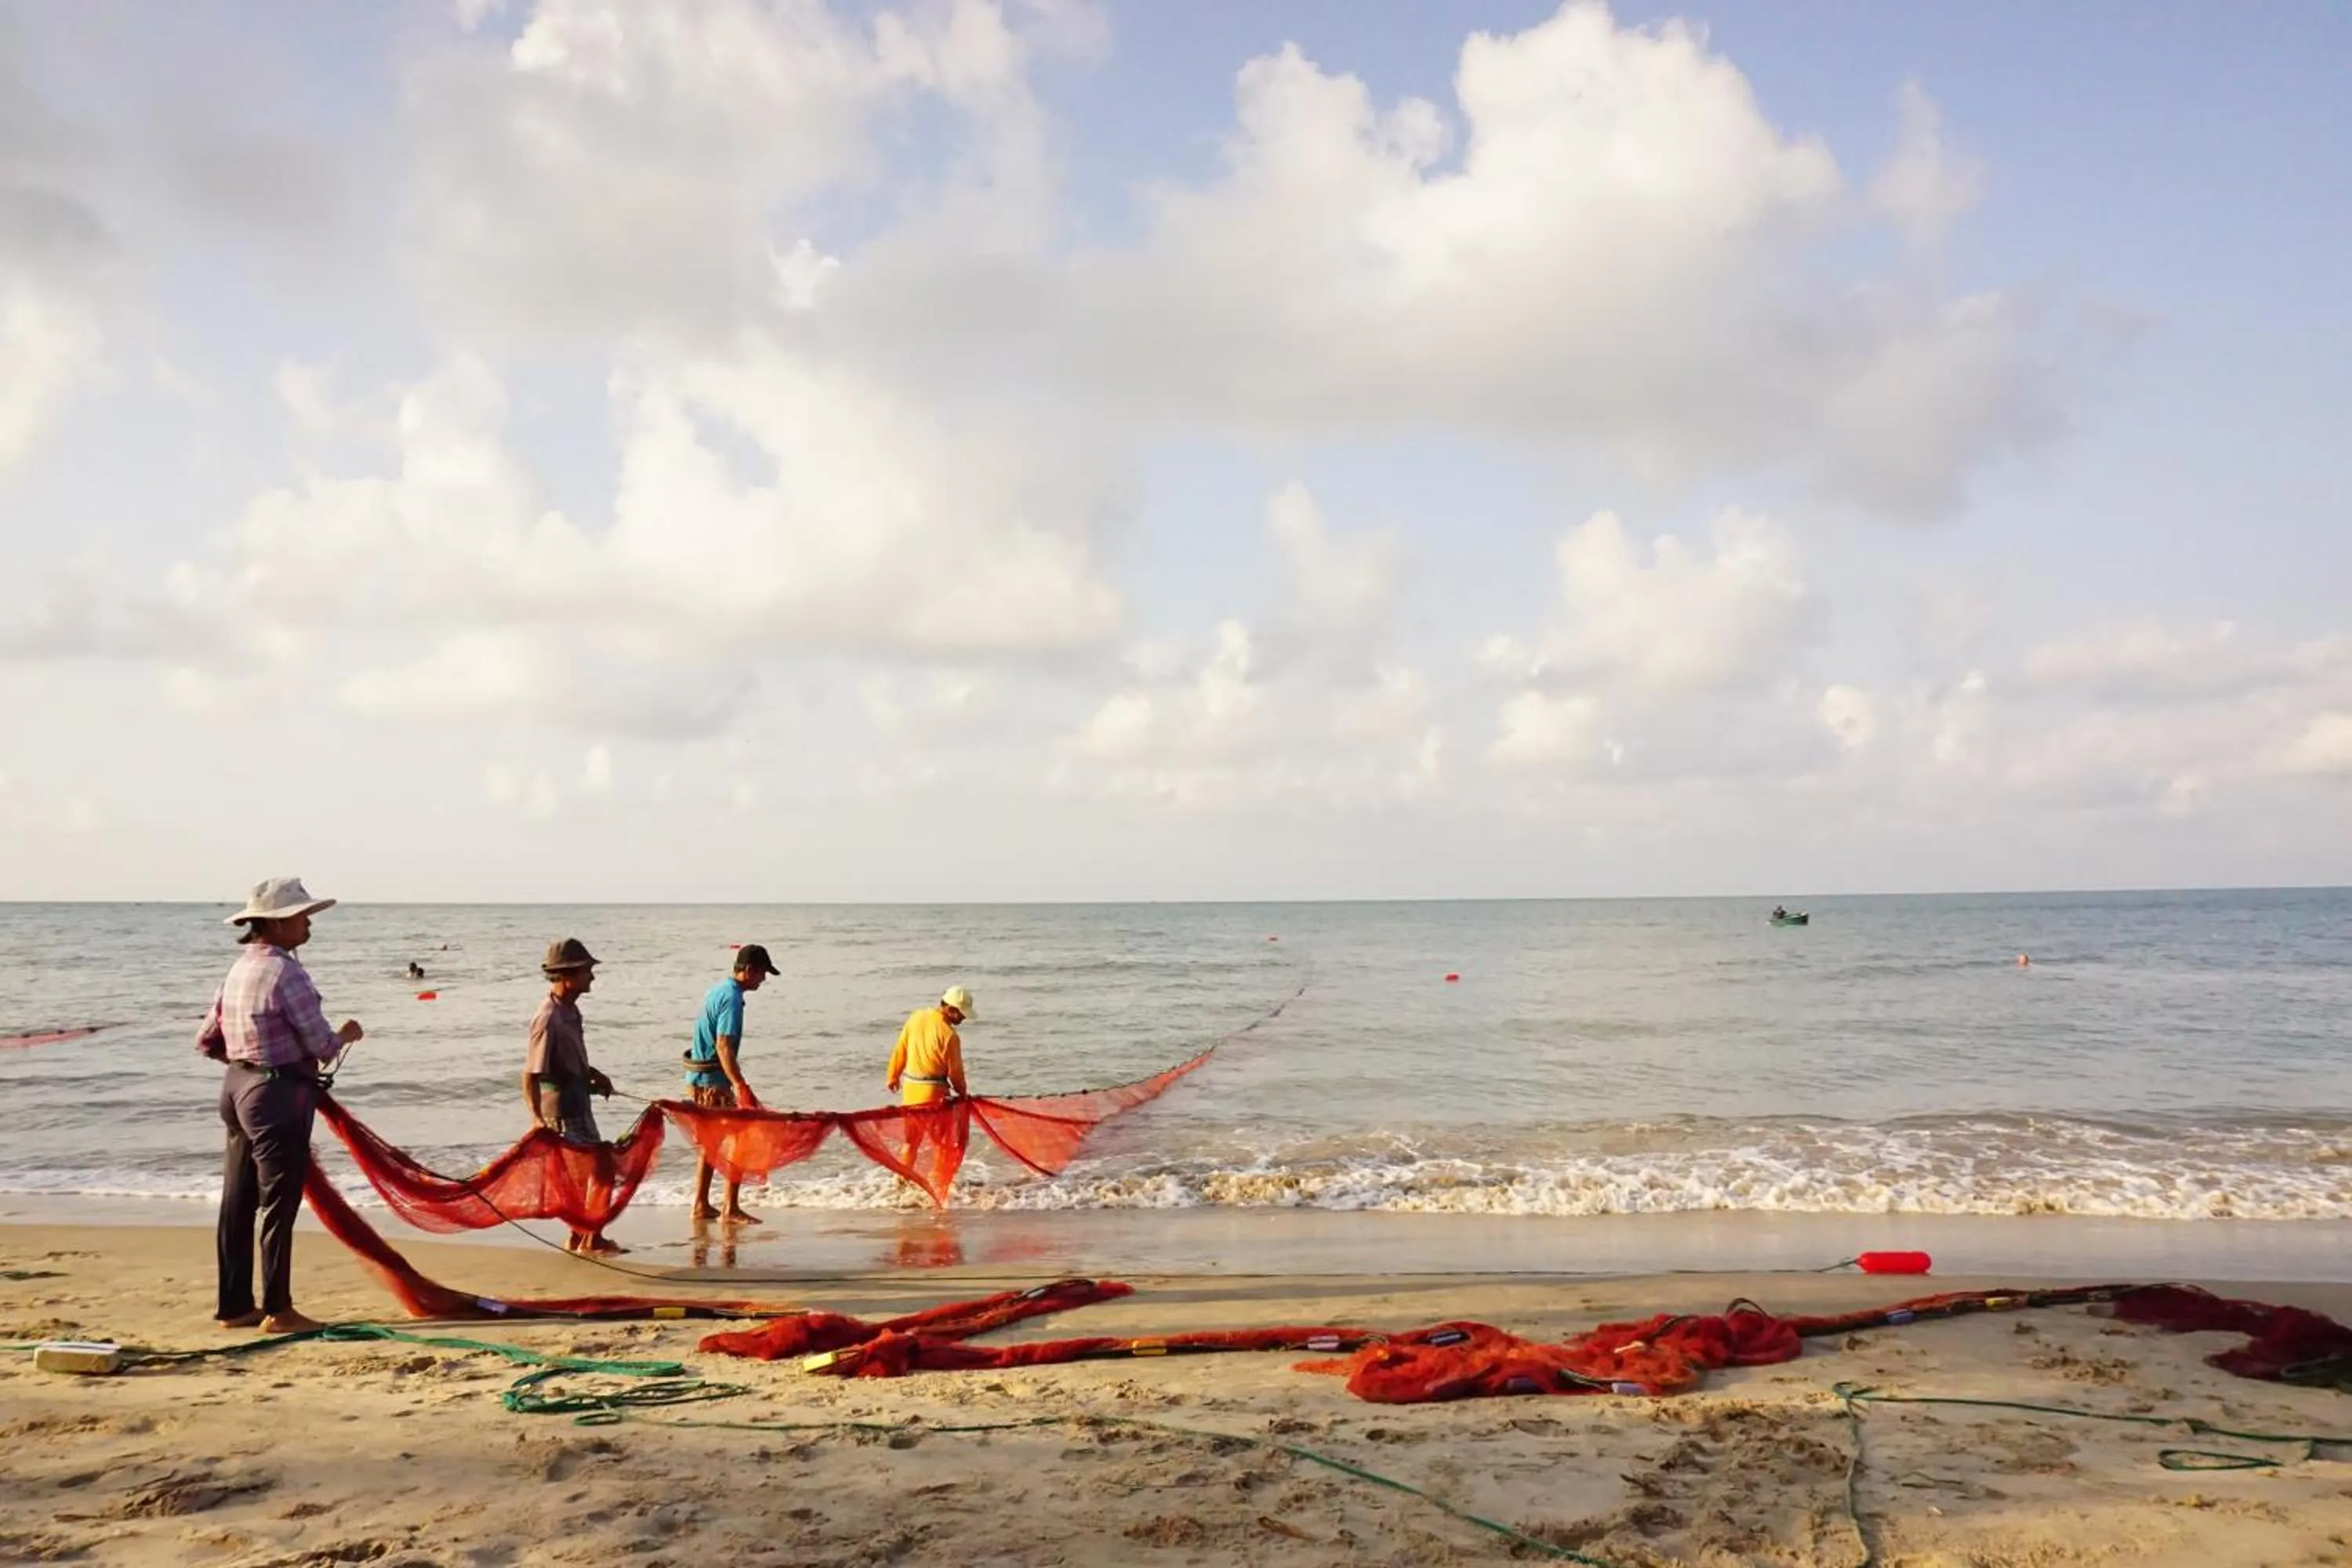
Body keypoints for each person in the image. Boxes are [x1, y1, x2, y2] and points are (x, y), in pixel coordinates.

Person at [195, 877, 362, 1333]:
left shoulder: (238, 969)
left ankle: (235, 1306)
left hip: (236, 1089)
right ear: (277, 924)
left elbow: (207, 1040)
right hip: (276, 1096)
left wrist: (247, 1059)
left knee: (237, 1202)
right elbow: (321, 1045)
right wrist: (346, 1035)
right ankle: (279, 1310)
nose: (309, 924)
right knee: (278, 1204)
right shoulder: (287, 973)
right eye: (302, 917)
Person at [522, 938, 622, 1256]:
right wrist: (537, 1120)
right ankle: (591, 1237)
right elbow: (530, 1075)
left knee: (587, 1176)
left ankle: (581, 1237)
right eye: (586, 971)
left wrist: (593, 1075)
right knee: (599, 1171)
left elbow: (567, 1059)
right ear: (568, 975)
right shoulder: (548, 1018)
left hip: (579, 1103)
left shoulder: (571, 1010)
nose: (592, 976)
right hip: (562, 1113)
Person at [684, 943, 779, 1225]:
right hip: (714, 1083)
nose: (764, 979)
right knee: (740, 1139)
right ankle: (730, 1207)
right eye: (762, 973)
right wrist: (739, 1084)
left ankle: (701, 1204)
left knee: (710, 1144)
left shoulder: (718, 990)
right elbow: (723, 1045)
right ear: (748, 971)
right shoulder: (732, 999)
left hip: (700, 1079)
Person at [887, 986, 974, 1106]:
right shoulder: (950, 1035)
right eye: (962, 1014)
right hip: (933, 1094)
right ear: (951, 1009)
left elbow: (901, 1050)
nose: (964, 1018)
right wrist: (963, 1093)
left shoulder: (915, 1017)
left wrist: (893, 1077)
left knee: (912, 1119)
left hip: (910, 1089)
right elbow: (955, 1074)